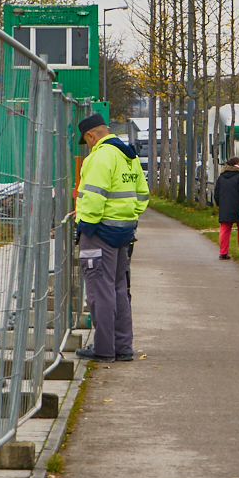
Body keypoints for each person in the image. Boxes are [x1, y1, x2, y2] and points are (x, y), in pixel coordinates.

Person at [74, 113, 148, 362]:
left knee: (99, 291)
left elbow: (95, 196)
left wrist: (85, 223)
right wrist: (126, 216)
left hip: (99, 233)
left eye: (87, 141)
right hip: (123, 231)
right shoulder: (128, 156)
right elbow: (142, 195)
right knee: (118, 289)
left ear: (90, 135)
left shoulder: (100, 157)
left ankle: (104, 349)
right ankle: (123, 346)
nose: (88, 146)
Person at [214, 155, 239, 259]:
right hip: (238, 206)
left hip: (225, 206)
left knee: (224, 229)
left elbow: (216, 192)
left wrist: (219, 204)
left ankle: (223, 253)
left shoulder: (221, 176)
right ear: (238, 164)